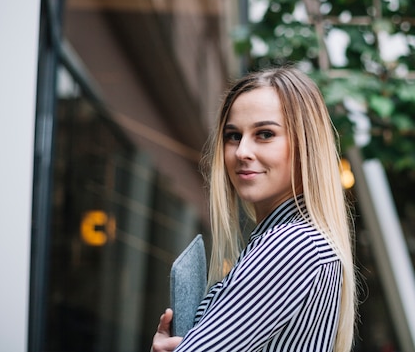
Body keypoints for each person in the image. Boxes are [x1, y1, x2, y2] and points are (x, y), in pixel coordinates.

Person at [151, 66, 356, 352]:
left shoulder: (291, 246)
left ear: (305, 146)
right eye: (233, 136)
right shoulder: (299, 241)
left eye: (264, 134)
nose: (242, 151)